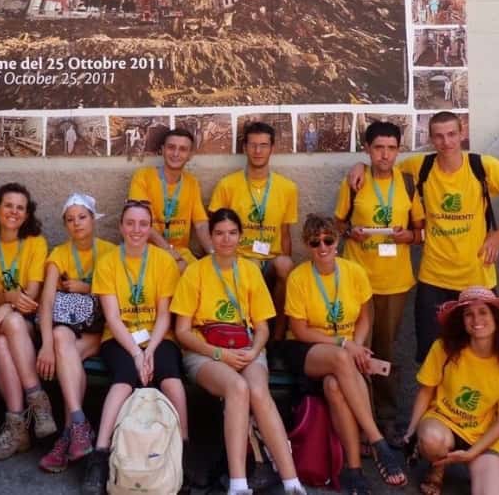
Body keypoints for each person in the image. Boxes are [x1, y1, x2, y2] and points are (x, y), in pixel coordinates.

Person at [348, 111, 499, 364]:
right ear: (431, 139)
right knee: (431, 358)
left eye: (452, 134)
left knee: (481, 355)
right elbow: (384, 166)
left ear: (462, 133)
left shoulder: (481, 166)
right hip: (433, 279)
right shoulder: (422, 166)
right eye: (439, 136)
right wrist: (359, 166)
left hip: (476, 278)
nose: (447, 142)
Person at [172, 208, 306, 495]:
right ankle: (238, 483)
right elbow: (182, 332)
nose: (226, 239)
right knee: (236, 387)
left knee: (258, 391)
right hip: (205, 351)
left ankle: (292, 481)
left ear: (240, 236)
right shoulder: (195, 271)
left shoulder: (249, 270)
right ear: (210, 236)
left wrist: (254, 351)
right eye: (219, 233)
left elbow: (262, 328)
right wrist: (219, 355)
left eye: (232, 233)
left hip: (246, 348)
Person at [283, 214, 407, 494]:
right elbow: (300, 330)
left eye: (328, 240)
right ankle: (377, 441)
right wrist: (345, 345)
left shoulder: (354, 271)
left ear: (337, 241)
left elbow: (365, 316)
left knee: (334, 386)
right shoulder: (299, 278)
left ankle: (353, 471)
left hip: (346, 357)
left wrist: (359, 344)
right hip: (309, 351)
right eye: (315, 243)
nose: (323, 247)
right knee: (339, 360)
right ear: (307, 245)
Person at [81, 200, 188, 495]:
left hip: (158, 337)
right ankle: (100, 455)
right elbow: (113, 318)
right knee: (123, 380)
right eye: (130, 223)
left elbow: (165, 313)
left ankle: (182, 452)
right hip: (120, 338)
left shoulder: (163, 261)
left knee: (172, 379)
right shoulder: (109, 262)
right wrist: (137, 353)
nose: (136, 230)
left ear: (150, 228)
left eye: (143, 224)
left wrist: (150, 350)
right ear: (121, 227)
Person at [335, 122, 425, 443]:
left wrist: (408, 236)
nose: (384, 155)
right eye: (378, 148)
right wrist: (351, 233)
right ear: (367, 150)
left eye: (391, 148)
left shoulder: (408, 183)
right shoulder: (356, 181)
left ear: (398, 150)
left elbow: (420, 230)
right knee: (357, 349)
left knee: (385, 349)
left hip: (394, 282)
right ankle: (360, 415)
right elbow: (339, 223)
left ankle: (386, 416)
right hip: (357, 280)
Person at [403, 287, 499, 495]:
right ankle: (437, 468)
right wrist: (412, 430)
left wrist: (472, 453)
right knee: (431, 439)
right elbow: (425, 391)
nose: (476, 319)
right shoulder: (444, 347)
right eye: (468, 314)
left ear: (496, 318)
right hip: (443, 423)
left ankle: (473, 464)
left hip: (482, 436)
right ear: (461, 321)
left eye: (483, 312)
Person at [0, 182, 55, 460]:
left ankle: (16, 425)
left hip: (24, 321)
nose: (14, 212)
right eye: (8, 205)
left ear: (27, 214)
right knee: (8, 326)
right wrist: (7, 301)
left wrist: (3, 305)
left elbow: (30, 296)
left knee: (3, 340)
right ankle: (37, 401)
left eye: (21, 208)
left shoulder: (35, 243)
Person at [36, 193, 116, 473]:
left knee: (66, 356)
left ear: (93, 219)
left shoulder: (109, 251)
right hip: (69, 328)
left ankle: (69, 434)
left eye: (82, 217)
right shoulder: (59, 254)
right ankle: (79, 424)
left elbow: (119, 294)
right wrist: (45, 344)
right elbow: (46, 302)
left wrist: (87, 287)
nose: (76, 224)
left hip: (101, 329)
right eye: (70, 219)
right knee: (60, 341)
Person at [209, 121, 298, 340]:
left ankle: (276, 340)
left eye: (264, 145)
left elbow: (285, 232)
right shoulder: (227, 185)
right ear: (244, 148)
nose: (258, 151)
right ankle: (246, 335)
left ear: (272, 149)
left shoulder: (287, 188)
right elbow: (215, 228)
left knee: (286, 266)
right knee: (251, 266)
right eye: (253, 145)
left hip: (271, 258)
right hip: (240, 257)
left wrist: (286, 257)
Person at [128, 128, 213, 271]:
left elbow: (201, 224)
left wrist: (213, 252)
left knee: (206, 276)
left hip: (181, 252)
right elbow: (141, 223)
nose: (176, 154)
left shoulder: (192, 183)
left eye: (183, 149)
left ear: (190, 155)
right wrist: (169, 251)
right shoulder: (143, 177)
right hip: (147, 250)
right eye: (171, 147)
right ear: (162, 150)